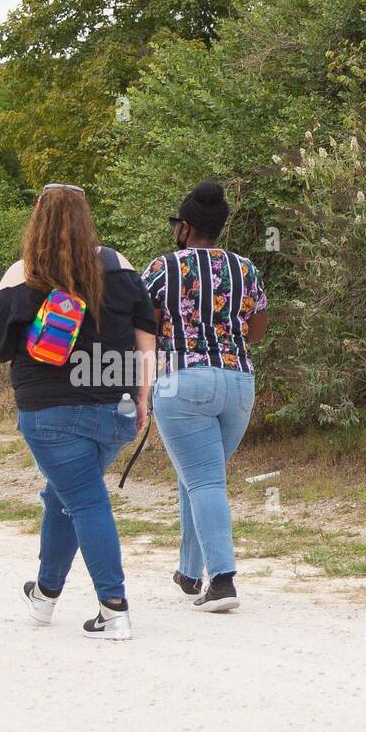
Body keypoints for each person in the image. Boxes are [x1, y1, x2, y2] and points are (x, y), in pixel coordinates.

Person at [0, 183, 157, 641]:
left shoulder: (22, 275)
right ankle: (44, 596)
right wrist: (144, 397)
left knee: (83, 500)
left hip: (50, 413)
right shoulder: (119, 267)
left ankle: (114, 608)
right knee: (62, 497)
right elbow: (146, 335)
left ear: (37, 217)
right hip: (116, 407)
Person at [141, 181, 268, 612]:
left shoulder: (162, 268)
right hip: (238, 384)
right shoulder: (245, 268)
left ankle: (223, 580)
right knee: (198, 475)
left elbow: (147, 323)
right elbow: (260, 327)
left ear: (186, 226)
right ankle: (190, 571)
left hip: (183, 381)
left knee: (204, 479)